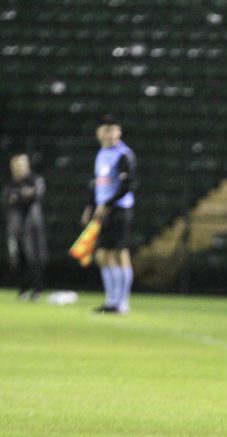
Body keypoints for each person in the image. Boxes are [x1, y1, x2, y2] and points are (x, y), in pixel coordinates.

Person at [82, 114, 137, 314]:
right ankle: (111, 300)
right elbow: (98, 184)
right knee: (103, 254)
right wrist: (91, 206)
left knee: (120, 253)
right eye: (106, 129)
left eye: (113, 129)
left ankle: (122, 302)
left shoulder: (124, 154)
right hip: (104, 210)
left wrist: (107, 204)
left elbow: (128, 185)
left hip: (120, 210)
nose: (110, 133)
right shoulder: (101, 153)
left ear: (119, 132)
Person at [3, 153, 48, 300]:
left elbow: (36, 195)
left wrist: (18, 196)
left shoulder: (35, 179)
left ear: (27, 165)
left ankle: (37, 290)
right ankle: (23, 289)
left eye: (21, 164)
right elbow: (6, 200)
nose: (18, 168)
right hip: (16, 225)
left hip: (32, 225)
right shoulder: (10, 183)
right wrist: (24, 194)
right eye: (15, 165)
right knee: (18, 259)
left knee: (35, 258)